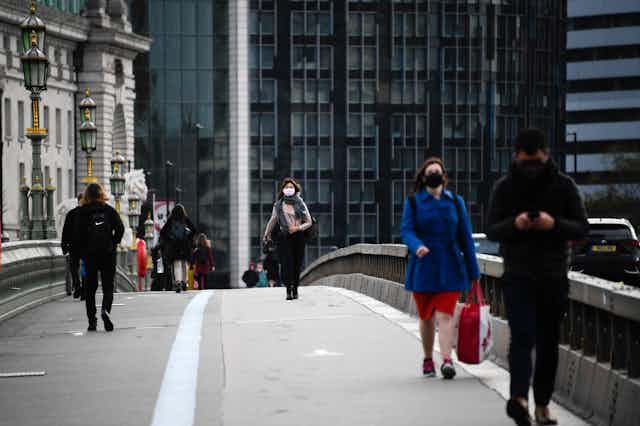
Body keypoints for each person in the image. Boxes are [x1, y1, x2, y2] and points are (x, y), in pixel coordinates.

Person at [487, 128, 589, 426]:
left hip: (553, 276)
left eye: (536, 161)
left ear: (546, 155)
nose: (531, 166)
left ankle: (542, 404)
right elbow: (492, 229)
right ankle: (519, 399)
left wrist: (552, 224)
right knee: (522, 337)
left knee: (547, 342)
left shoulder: (564, 187)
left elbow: (582, 228)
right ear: (517, 157)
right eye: (526, 161)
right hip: (518, 274)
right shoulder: (505, 188)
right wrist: (516, 224)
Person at [401, 157, 480, 380]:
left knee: (445, 314)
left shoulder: (455, 202)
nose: (434, 175)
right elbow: (406, 231)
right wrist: (417, 246)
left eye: (437, 171)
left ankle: (447, 360)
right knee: (426, 316)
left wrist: (474, 272)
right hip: (424, 267)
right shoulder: (414, 202)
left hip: (450, 267)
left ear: (444, 176)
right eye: (430, 172)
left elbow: (466, 237)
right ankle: (428, 359)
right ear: (423, 178)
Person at [74, 183, 124, 332]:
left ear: (87, 196)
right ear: (102, 194)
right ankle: (105, 310)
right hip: (107, 253)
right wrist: (113, 243)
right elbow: (120, 229)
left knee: (90, 288)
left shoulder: (82, 212)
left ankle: (92, 321)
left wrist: (82, 252)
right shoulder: (108, 210)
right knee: (108, 285)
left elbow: (77, 235)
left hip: (90, 255)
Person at [263, 178, 312, 300]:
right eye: (287, 187)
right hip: (284, 237)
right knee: (286, 264)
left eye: (291, 187)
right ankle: (288, 289)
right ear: (283, 190)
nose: (289, 189)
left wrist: (298, 228)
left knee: (296, 264)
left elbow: (309, 222)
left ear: (295, 189)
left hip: (298, 236)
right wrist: (266, 234)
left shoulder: (300, 203)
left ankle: (295, 288)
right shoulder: (278, 205)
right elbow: (273, 220)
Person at [160, 204, 196, 293]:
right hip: (184, 245)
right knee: (184, 264)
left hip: (174, 245)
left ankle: (178, 282)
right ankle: (184, 282)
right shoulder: (185, 219)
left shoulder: (171, 220)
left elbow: (162, 232)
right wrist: (187, 237)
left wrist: (170, 239)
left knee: (176, 264)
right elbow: (194, 230)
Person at [61, 193, 84, 299]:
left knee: (74, 268)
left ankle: (77, 286)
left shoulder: (71, 214)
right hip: (86, 246)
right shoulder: (91, 213)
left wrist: (64, 246)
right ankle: (84, 289)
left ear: (78, 200)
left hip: (74, 246)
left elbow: (65, 231)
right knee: (86, 268)